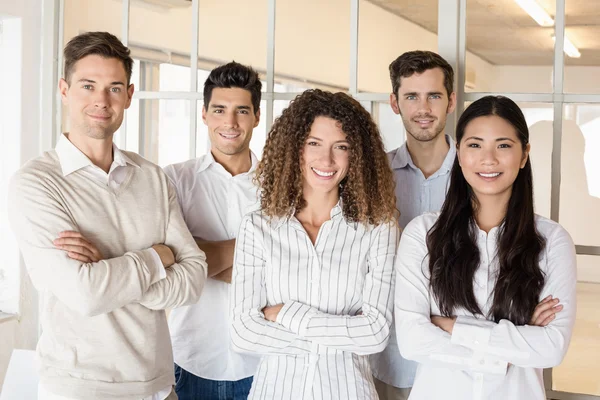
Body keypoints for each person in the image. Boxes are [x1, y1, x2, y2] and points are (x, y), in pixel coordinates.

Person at [8, 31, 207, 400]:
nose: (101, 100)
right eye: (88, 85)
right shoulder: (35, 183)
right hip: (80, 389)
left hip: (161, 387)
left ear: (129, 95)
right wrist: (159, 257)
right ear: (64, 90)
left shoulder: (151, 176)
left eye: (114, 88)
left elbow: (193, 278)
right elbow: (87, 294)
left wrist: (111, 268)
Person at [394, 95, 576, 399]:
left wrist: (453, 327)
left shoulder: (552, 241)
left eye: (503, 145)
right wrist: (514, 342)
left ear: (524, 155)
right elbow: (413, 341)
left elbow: (551, 349)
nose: (488, 159)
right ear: (459, 153)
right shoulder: (424, 234)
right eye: (475, 145)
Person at [230, 89, 399, 399]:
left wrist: (285, 314)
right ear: (296, 149)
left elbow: (375, 334)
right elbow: (243, 332)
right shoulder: (258, 227)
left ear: (356, 155)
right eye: (314, 144)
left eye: (341, 147)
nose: (327, 159)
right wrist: (343, 337)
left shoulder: (378, 228)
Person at [165, 61, 262, 400]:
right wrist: (261, 251)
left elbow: (292, 270)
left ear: (257, 116)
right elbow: (170, 263)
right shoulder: (174, 180)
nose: (230, 123)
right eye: (219, 109)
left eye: (242, 111)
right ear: (204, 114)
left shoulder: (283, 186)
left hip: (264, 360)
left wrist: (199, 256)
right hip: (190, 356)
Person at [371, 49, 458, 400]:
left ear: (450, 101)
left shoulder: (480, 175)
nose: (423, 109)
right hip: (392, 354)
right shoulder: (372, 177)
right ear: (395, 103)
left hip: (459, 351)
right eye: (411, 97)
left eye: (434, 96)